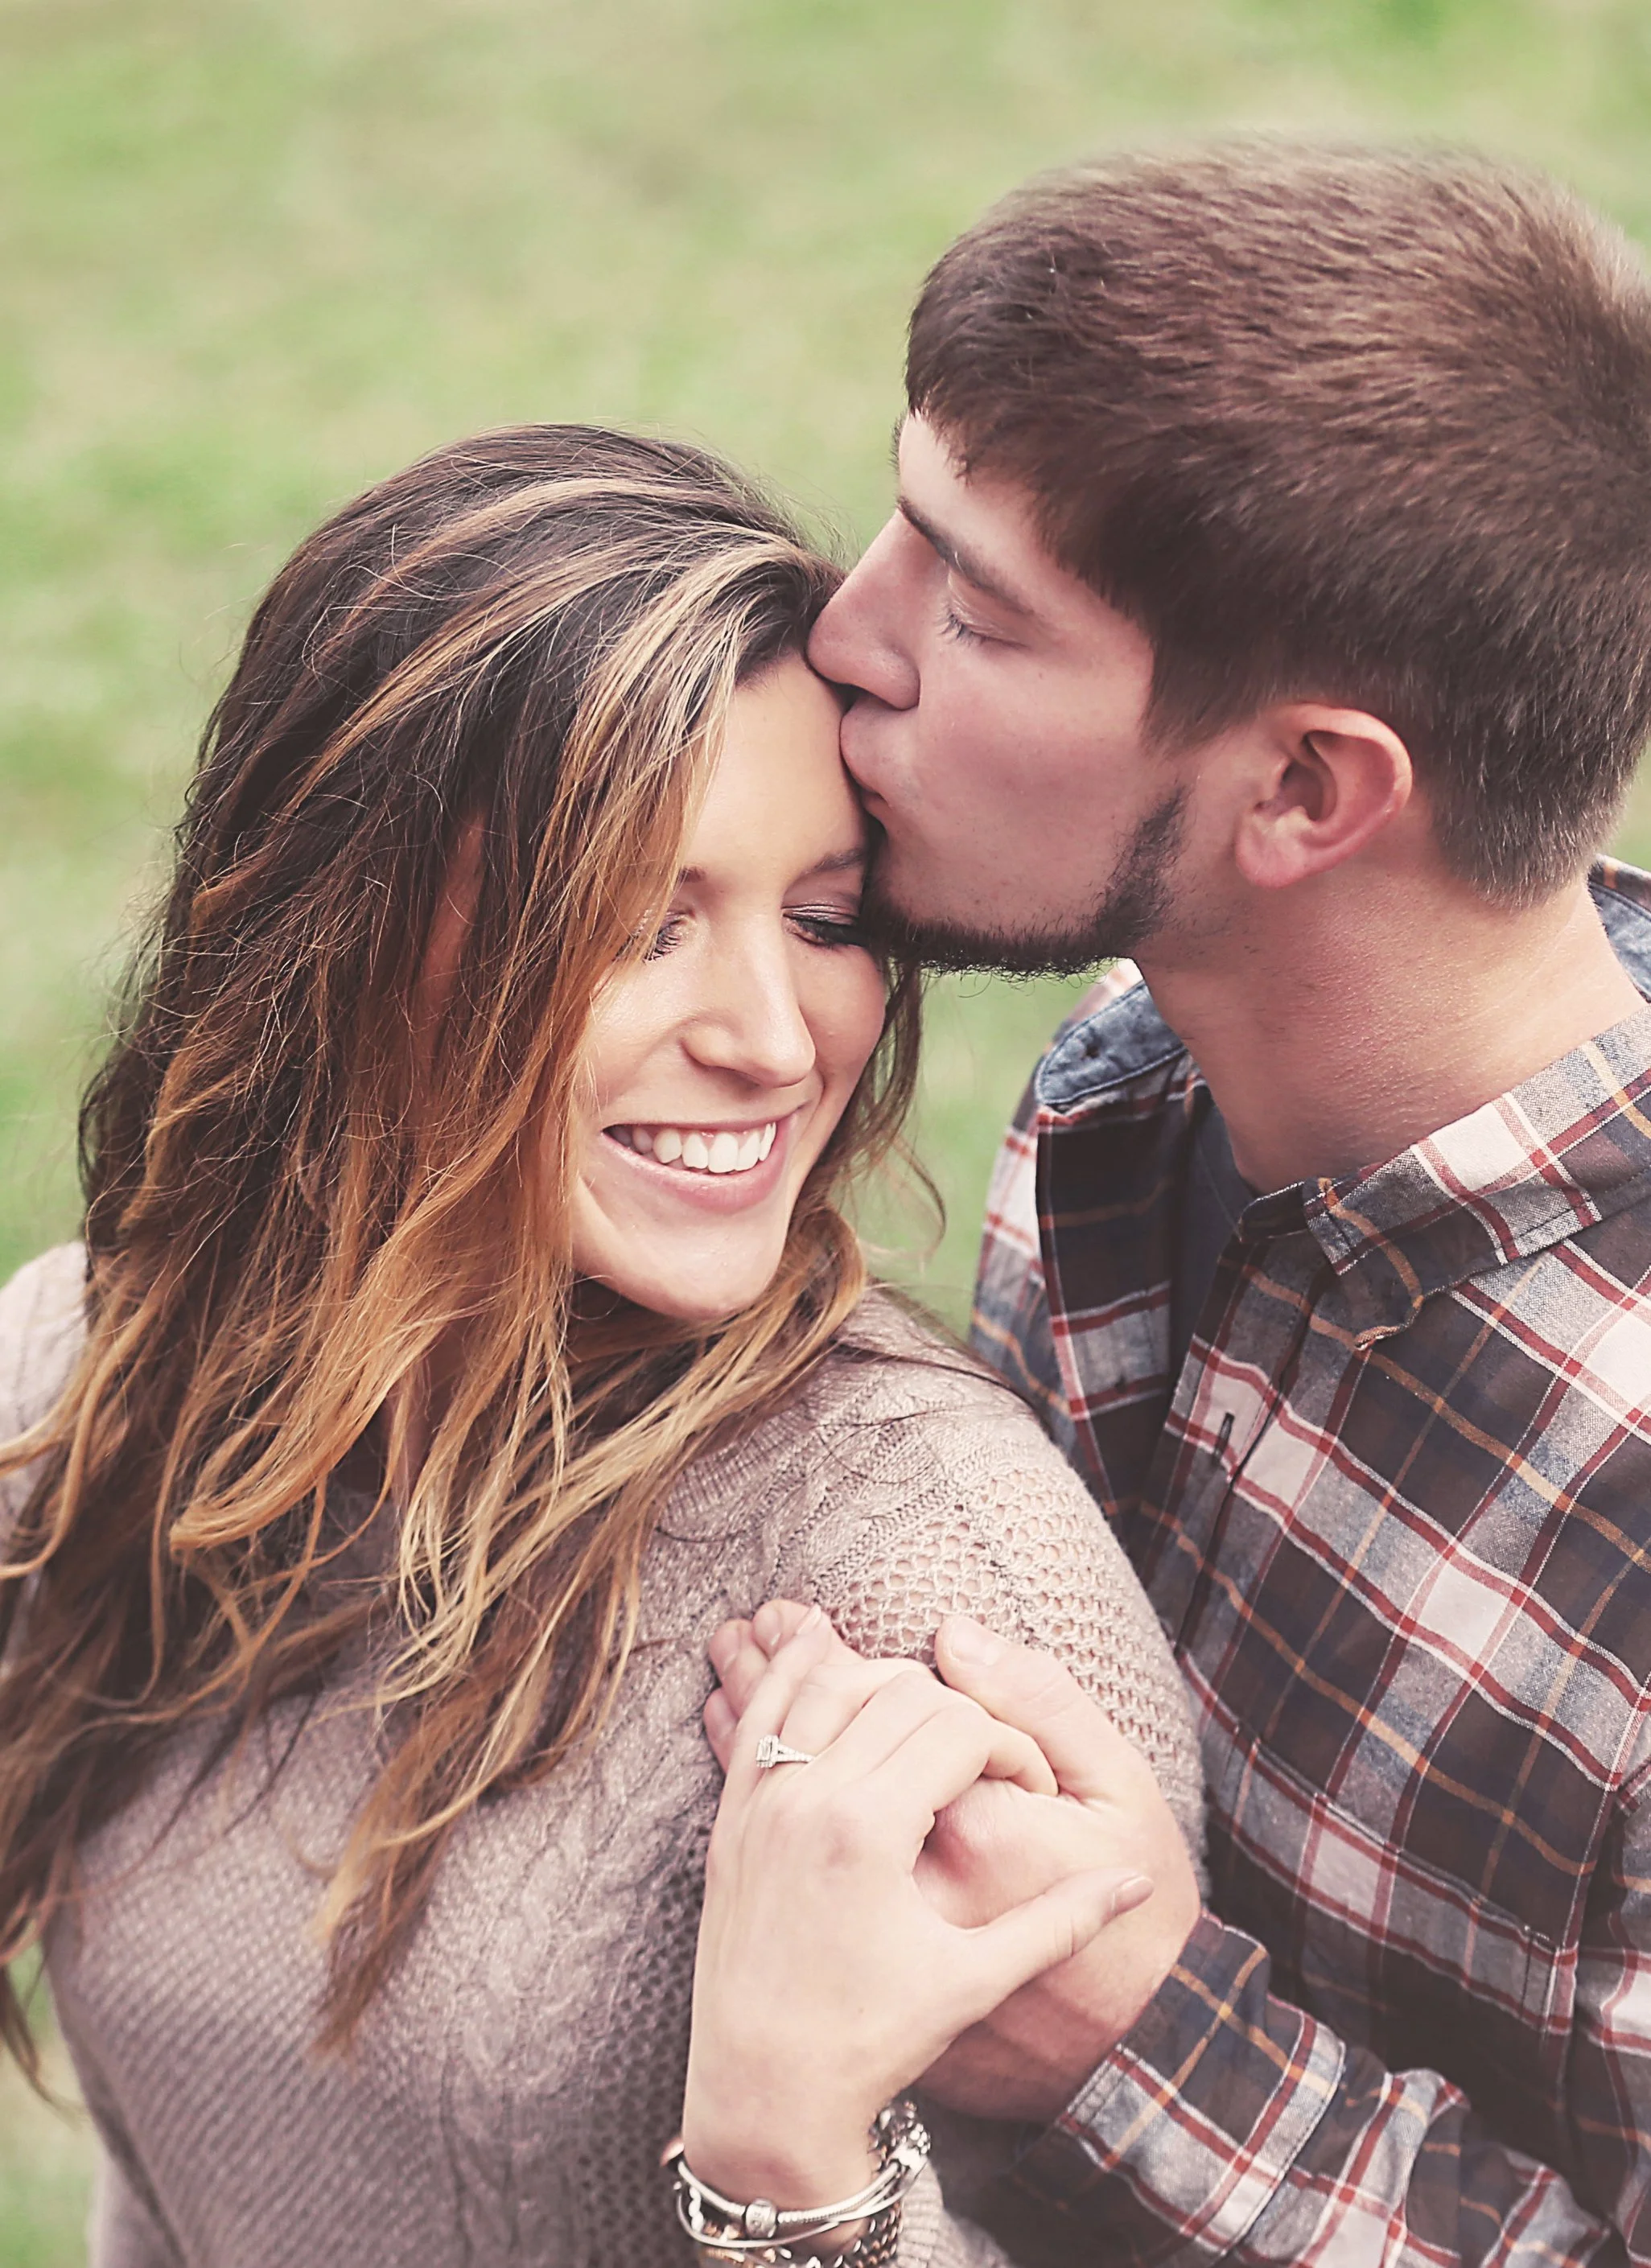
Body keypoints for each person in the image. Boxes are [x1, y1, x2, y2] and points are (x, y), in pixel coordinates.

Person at [0, 422, 1204, 2266]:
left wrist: (790, 2172)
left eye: (825, 917)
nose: (775, 1038)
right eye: (643, 925)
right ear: (342, 931)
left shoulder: (930, 1588)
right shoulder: (89, 1367)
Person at [687, 143, 1651, 2264]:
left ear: (1303, 789)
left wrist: (1126, 2038)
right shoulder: (1128, 1086)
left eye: (975, 609)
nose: (844, 632)